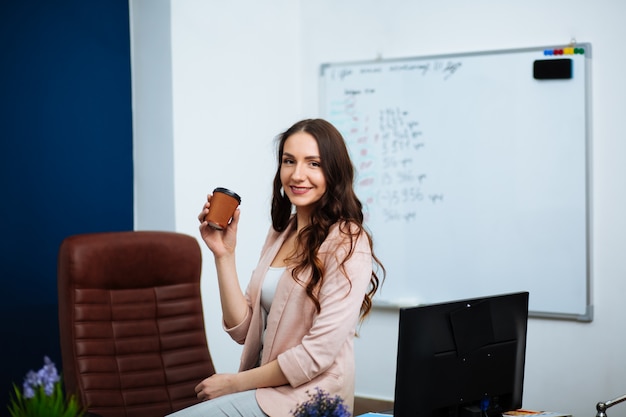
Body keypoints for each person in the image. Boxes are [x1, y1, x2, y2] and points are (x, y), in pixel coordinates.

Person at [169, 118, 384, 417]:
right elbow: (244, 330)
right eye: (289, 161)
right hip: (260, 391)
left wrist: (234, 383)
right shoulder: (281, 232)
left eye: (313, 164)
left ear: (334, 172)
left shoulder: (348, 241)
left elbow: (316, 354)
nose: (297, 174)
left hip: (308, 400)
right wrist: (224, 255)